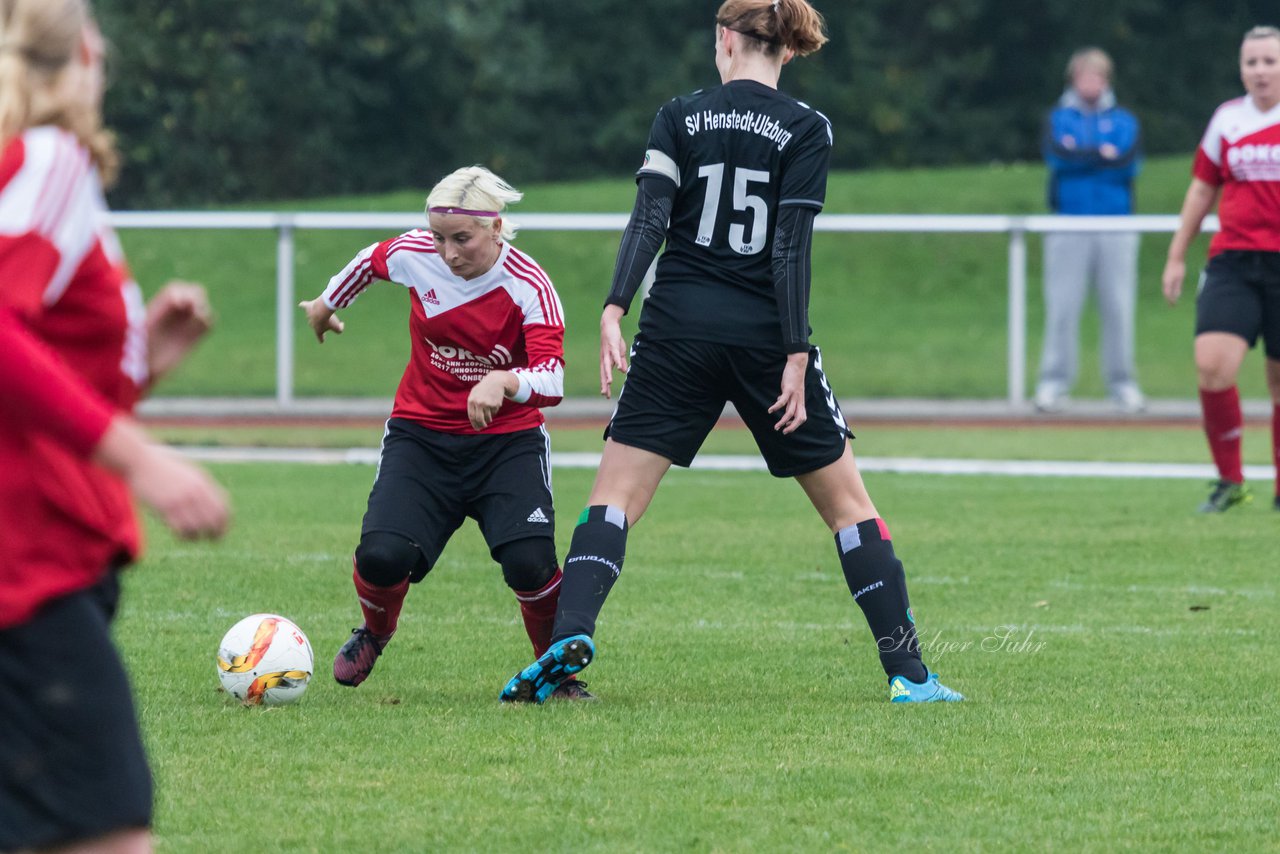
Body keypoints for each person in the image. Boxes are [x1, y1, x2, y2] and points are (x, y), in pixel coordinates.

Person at [500, 0, 963, 705]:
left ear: (724, 39)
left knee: (615, 499)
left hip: (675, 330)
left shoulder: (678, 116)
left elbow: (649, 217)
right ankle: (910, 675)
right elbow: (789, 248)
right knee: (849, 509)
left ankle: (572, 632)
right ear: (784, 49)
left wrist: (613, 308)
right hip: (759, 339)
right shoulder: (807, 127)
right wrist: (796, 350)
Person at [0, 1, 231, 851]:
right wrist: (144, 461)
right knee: (111, 834)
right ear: (87, 52)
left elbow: (38, 374)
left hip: (38, 557)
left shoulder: (28, 166)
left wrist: (142, 364)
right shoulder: (52, 160)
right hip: (24, 566)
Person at [298, 166, 592, 698]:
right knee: (382, 556)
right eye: (439, 237)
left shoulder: (530, 285)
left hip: (507, 444)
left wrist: (502, 380)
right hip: (422, 436)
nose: (449, 252)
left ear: (496, 227)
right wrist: (324, 307)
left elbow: (552, 379)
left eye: (462, 238)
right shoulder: (417, 254)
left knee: (530, 562)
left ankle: (558, 675)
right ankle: (375, 632)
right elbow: (369, 262)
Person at [1162, 25, 1280, 513]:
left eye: (1269, 61)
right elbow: (1200, 189)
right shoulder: (1227, 120)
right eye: (1251, 62)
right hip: (1233, 259)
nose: (1260, 71)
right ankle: (1230, 481)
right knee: (1212, 367)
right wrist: (1176, 254)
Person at [1034, 47, 1145, 414]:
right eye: (1084, 76)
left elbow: (1127, 164)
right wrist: (1100, 154)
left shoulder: (1125, 120)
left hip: (1116, 222)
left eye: (1097, 76)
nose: (1091, 83)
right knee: (1063, 306)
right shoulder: (1058, 118)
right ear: (1073, 79)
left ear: (1107, 79)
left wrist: (1082, 154)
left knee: (1118, 306)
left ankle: (1123, 384)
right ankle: (1053, 384)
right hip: (1069, 221)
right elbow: (1058, 159)